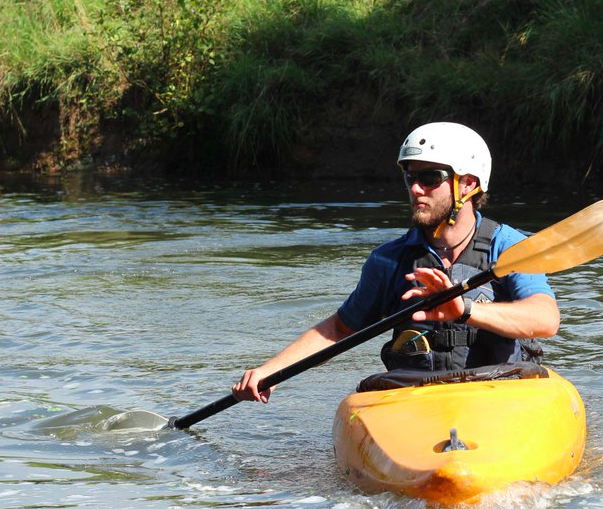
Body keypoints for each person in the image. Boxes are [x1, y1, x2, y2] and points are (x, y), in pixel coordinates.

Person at [231, 122, 560, 404]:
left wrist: (465, 310)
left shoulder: (509, 248)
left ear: (469, 184)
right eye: (410, 177)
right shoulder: (389, 260)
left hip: (500, 387)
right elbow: (339, 329)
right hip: (417, 393)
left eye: (431, 177)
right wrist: (272, 370)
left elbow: (545, 318)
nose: (416, 189)